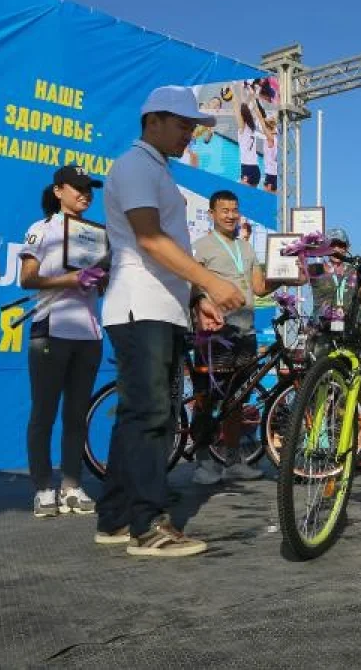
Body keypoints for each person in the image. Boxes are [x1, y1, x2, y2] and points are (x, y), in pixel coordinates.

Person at [95, 86, 246, 558]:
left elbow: (166, 249)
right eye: (183, 125)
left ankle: (117, 518)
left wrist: (196, 295)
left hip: (161, 307)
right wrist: (213, 283)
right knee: (152, 415)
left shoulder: (154, 168)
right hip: (140, 306)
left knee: (139, 415)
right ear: (154, 120)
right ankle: (149, 526)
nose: (190, 136)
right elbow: (150, 240)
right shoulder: (136, 164)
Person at [18, 166, 106, 518]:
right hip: (50, 329)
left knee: (76, 415)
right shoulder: (42, 230)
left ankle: (72, 485)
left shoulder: (96, 235)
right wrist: (68, 279)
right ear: (59, 191)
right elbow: (27, 278)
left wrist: (101, 279)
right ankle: (42, 487)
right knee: (43, 413)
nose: (85, 194)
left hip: (89, 333)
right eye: (78, 188)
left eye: (90, 189)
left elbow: (100, 283)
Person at [189, 189, 284, 485]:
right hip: (215, 333)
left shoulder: (247, 248)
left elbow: (257, 287)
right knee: (207, 398)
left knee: (236, 399)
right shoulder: (200, 247)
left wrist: (285, 276)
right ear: (212, 214)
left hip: (246, 332)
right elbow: (193, 287)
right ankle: (203, 461)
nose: (231, 215)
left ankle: (232, 460)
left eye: (234, 210)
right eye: (224, 210)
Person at [309, 228, 361, 328]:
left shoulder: (354, 271)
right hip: (319, 331)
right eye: (332, 245)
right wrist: (300, 260)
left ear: (347, 248)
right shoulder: (316, 268)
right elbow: (299, 279)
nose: (336, 249)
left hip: (349, 331)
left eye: (341, 245)